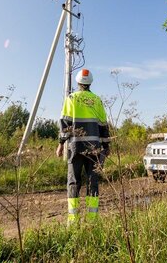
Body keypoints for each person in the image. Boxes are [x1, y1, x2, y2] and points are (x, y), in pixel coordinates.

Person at [56, 69, 110, 225]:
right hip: (95, 149)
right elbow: (103, 125)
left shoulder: (71, 98)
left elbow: (65, 123)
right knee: (93, 181)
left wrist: (60, 144)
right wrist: (106, 146)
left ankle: (73, 221)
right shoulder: (97, 100)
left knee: (73, 181)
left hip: (75, 147)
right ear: (90, 82)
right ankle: (92, 220)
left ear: (78, 82)